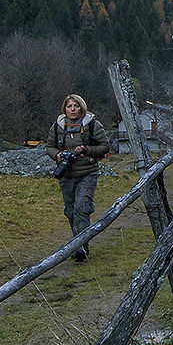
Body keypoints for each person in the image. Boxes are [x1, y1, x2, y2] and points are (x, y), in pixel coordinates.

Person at [52, 94, 114, 257]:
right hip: (66, 174)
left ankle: (81, 247)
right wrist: (57, 155)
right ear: (64, 109)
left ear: (82, 107)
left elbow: (105, 146)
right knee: (71, 211)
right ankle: (77, 242)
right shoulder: (58, 126)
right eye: (69, 106)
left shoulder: (92, 125)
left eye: (76, 106)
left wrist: (86, 150)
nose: (72, 109)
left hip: (87, 173)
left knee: (82, 208)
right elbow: (49, 146)